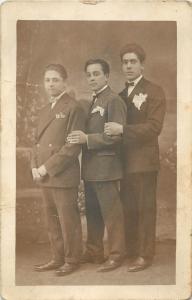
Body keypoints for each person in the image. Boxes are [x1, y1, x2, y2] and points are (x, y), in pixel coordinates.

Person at [105, 44, 166, 272]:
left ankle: (144, 255)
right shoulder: (119, 95)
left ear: (142, 64)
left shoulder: (154, 90)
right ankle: (131, 250)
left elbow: (154, 127)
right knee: (127, 208)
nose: (128, 65)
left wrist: (122, 129)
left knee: (145, 208)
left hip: (144, 162)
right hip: (123, 163)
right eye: (125, 62)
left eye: (133, 61)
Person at [67, 59, 126, 272]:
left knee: (112, 213)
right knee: (92, 212)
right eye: (89, 74)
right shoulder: (93, 101)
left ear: (107, 76)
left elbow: (117, 137)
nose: (92, 78)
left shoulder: (113, 100)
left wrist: (87, 139)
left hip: (107, 168)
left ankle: (117, 254)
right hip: (91, 168)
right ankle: (94, 251)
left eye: (96, 74)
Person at [31, 64, 85, 276]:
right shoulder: (44, 110)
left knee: (67, 219)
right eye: (47, 80)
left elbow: (72, 147)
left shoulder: (74, 107)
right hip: (44, 175)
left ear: (65, 82)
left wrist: (45, 167)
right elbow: (36, 143)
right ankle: (57, 257)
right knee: (51, 219)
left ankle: (72, 260)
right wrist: (34, 166)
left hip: (62, 174)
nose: (51, 84)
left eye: (55, 79)